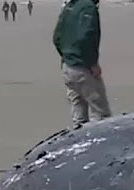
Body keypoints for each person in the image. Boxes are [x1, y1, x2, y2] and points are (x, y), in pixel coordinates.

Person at [53, 0, 111, 129]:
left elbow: (57, 36)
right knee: (101, 115)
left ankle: (79, 142)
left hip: (68, 66)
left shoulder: (70, 5)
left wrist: (65, 55)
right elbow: (86, 37)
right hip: (82, 67)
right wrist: (92, 63)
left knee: (78, 115)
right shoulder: (88, 8)